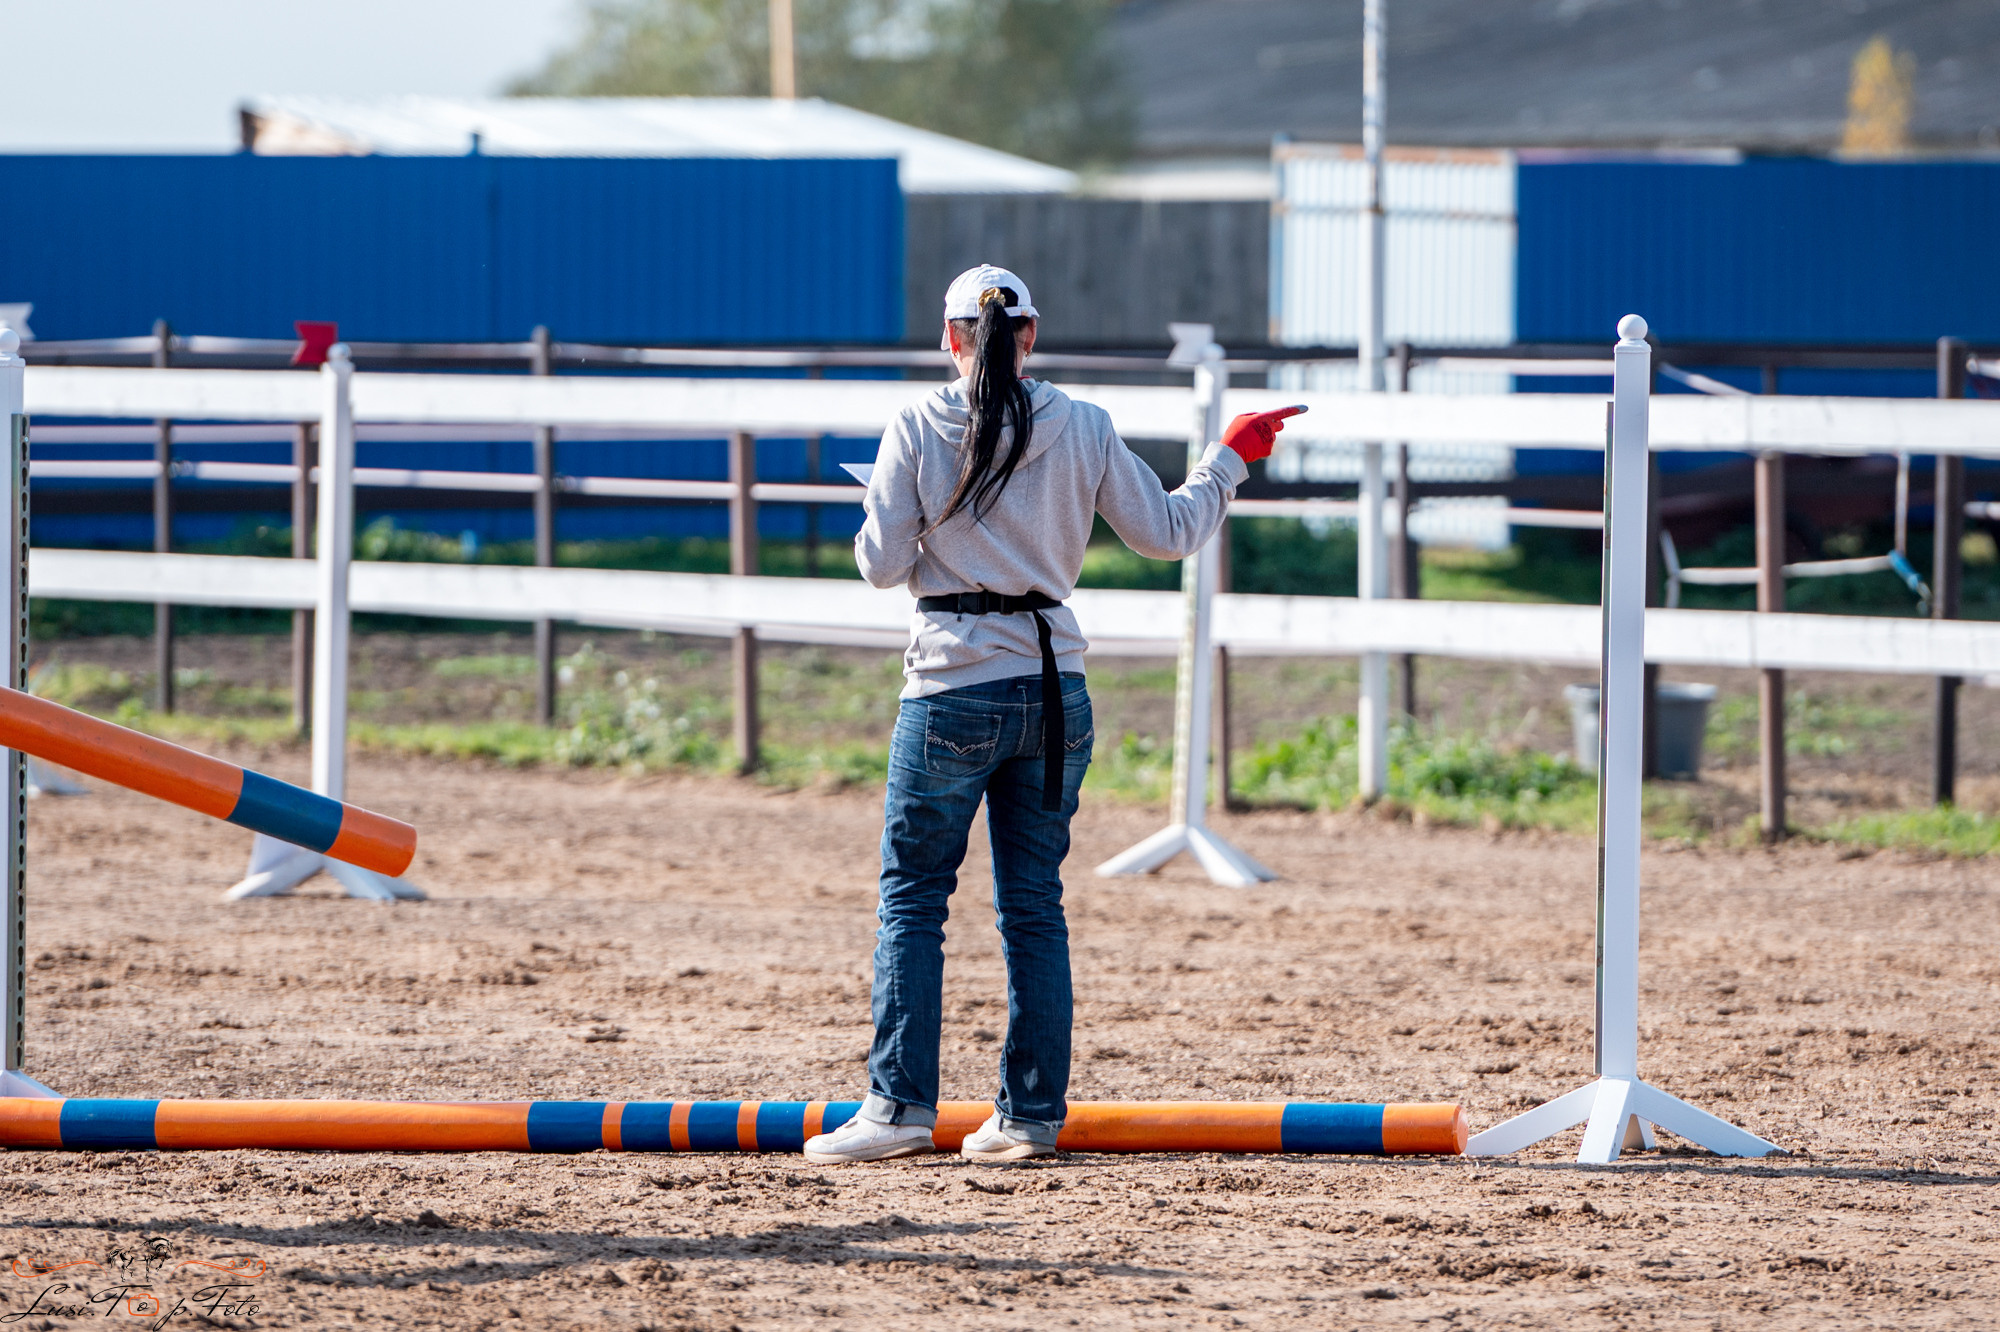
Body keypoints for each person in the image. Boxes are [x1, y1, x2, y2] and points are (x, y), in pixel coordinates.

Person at [803, 264, 1302, 1165]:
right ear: (1030, 334)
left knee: (914, 900)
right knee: (1034, 908)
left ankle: (899, 1107)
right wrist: (1231, 456)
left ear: (951, 338)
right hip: (1053, 687)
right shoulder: (1084, 425)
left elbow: (879, 565)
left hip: (953, 680)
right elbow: (1171, 533)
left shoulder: (918, 422)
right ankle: (1029, 1117)